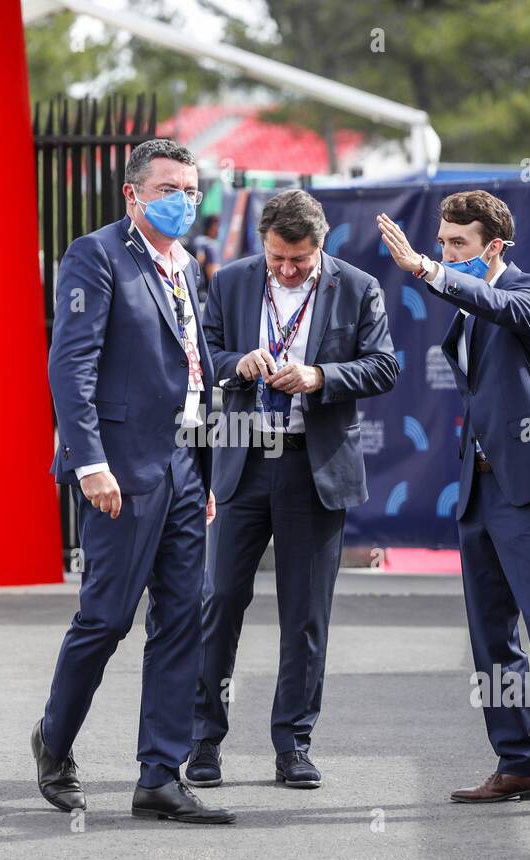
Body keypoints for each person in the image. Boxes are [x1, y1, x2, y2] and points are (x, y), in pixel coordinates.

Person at [377, 191, 530, 815]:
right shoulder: (470, 303)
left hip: (529, 491)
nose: (448, 252)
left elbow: (493, 301)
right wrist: (440, 272)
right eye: (443, 241)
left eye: (460, 244)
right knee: (490, 637)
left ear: (494, 247)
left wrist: (427, 269)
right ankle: (519, 764)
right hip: (478, 491)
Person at [35, 138, 234, 825]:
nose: (184, 199)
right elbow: (72, 365)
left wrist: (200, 471)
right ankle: (54, 743)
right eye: (169, 188)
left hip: (182, 464)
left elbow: (193, 369)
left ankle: (159, 776)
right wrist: (90, 464)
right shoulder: (97, 255)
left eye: (191, 188)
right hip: (120, 469)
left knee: (183, 617)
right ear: (133, 194)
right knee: (107, 618)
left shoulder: (188, 265)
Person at [186, 189, 399, 789]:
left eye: (299, 260)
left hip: (314, 469)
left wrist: (320, 376)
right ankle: (203, 742)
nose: (286, 269)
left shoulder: (357, 288)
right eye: (278, 257)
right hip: (245, 462)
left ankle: (294, 745)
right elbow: (204, 355)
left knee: (305, 615)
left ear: (321, 244)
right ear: (264, 244)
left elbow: (384, 366)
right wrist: (238, 366)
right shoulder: (229, 281)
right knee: (220, 600)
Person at [191, 213, 221, 304]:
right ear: (211, 227)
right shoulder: (211, 245)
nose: (219, 230)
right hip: (205, 297)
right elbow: (215, 276)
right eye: (217, 226)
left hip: (192, 292)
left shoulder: (196, 241)